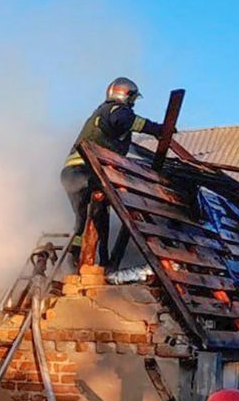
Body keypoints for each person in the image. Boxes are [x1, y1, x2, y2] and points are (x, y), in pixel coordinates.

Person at [61, 77, 165, 264]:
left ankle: (75, 260)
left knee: (84, 220)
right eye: (132, 98)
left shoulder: (100, 113)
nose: (133, 103)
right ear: (125, 95)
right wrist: (158, 129)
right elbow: (126, 120)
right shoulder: (116, 110)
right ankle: (103, 262)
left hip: (71, 173)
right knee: (100, 216)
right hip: (87, 171)